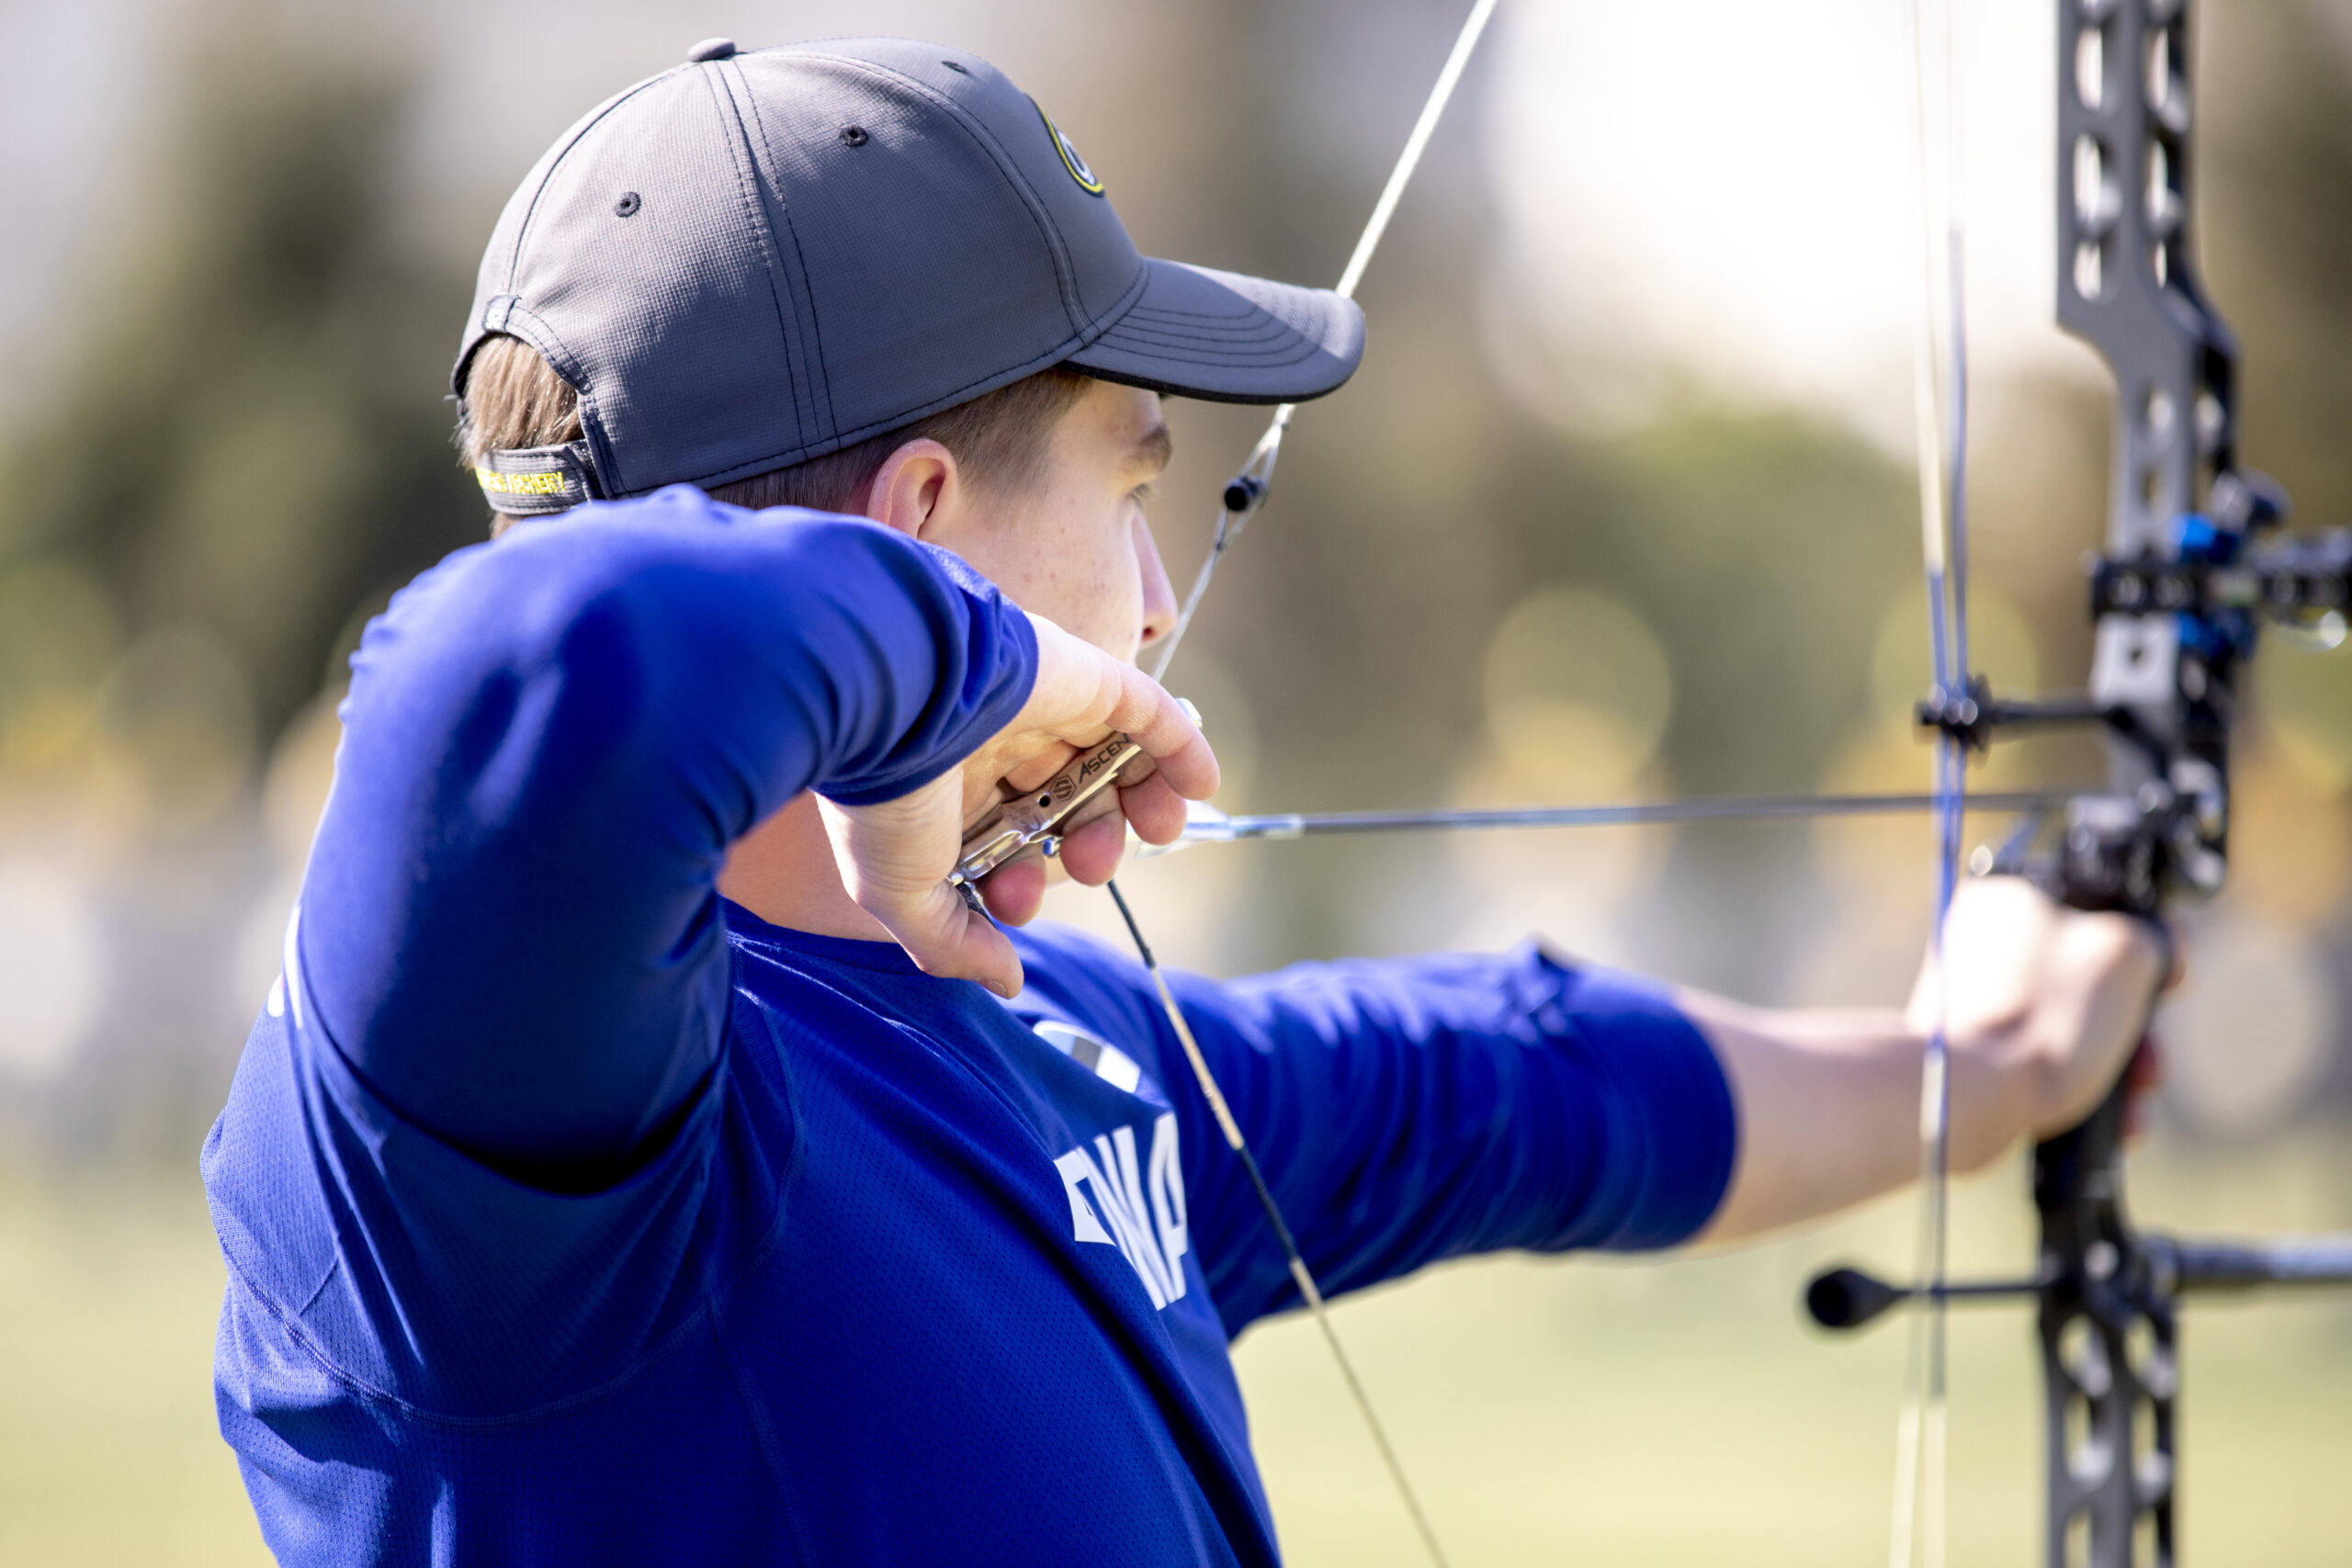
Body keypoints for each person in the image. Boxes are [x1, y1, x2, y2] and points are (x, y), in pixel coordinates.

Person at [202, 37, 2164, 1566]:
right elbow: (518, 672)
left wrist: (1965, 1066)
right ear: (921, 531)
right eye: (1135, 489)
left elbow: (1496, 1079)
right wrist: (966, 665)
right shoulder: (485, 1136)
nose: (1154, 608)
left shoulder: (1045, 1034)